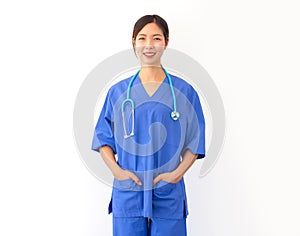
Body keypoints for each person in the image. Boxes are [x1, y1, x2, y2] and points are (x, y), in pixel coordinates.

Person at [92, 14, 205, 236]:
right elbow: (103, 139)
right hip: (129, 191)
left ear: (166, 42)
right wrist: (118, 172)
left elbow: (196, 140)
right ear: (134, 42)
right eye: (142, 38)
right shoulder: (118, 92)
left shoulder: (184, 92)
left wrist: (176, 174)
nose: (149, 45)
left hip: (167, 191)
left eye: (156, 38)